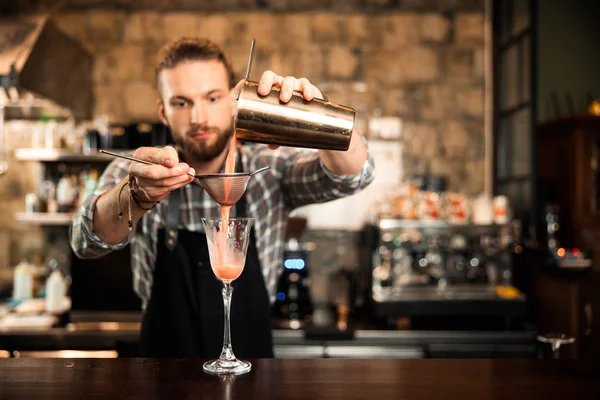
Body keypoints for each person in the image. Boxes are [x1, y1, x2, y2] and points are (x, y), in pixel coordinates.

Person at [70, 37, 375, 358]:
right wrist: (135, 196)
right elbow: (84, 241)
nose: (199, 117)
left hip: (252, 368)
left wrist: (315, 115)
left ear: (234, 98)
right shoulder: (139, 169)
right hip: (162, 369)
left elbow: (355, 175)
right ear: (163, 111)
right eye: (181, 103)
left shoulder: (269, 168)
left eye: (212, 98)